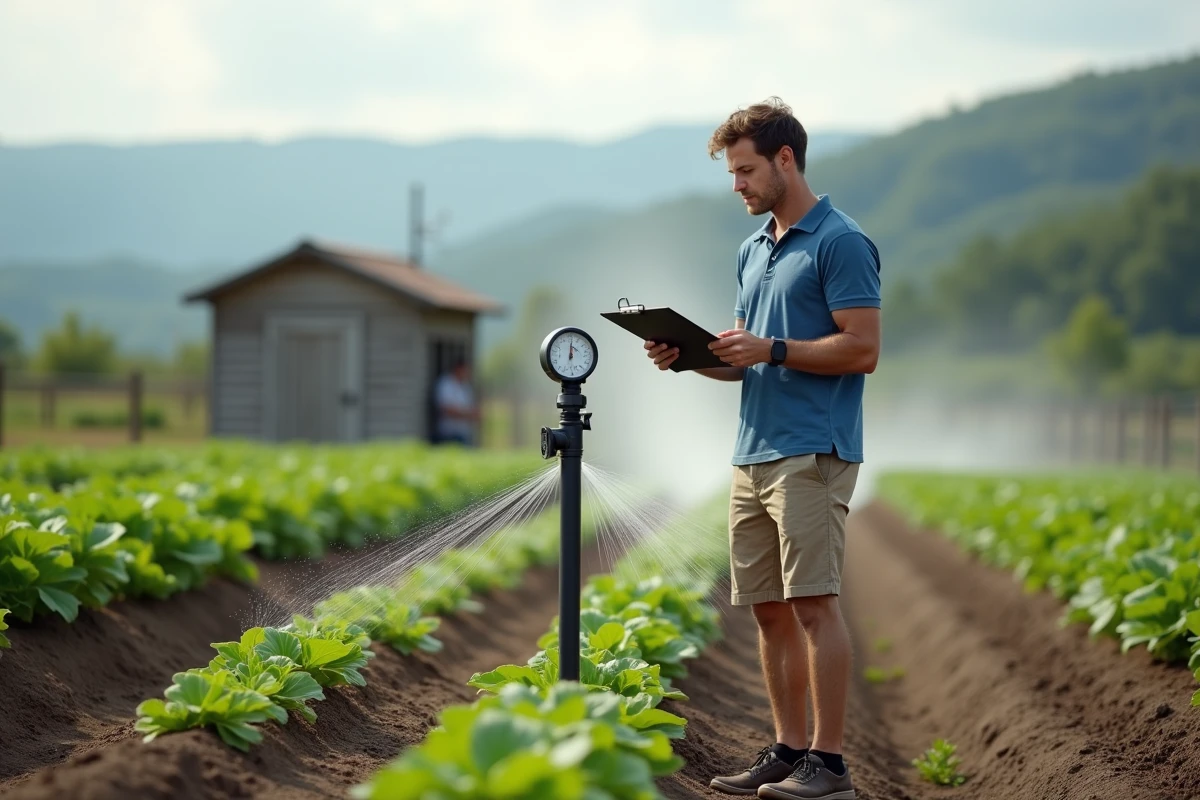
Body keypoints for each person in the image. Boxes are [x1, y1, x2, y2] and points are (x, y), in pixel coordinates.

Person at [645, 97, 881, 800]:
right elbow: (745, 358)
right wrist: (688, 355)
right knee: (768, 610)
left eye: (746, 170)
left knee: (813, 605)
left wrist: (772, 347)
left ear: (786, 160)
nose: (737, 185)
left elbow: (863, 349)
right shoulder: (752, 250)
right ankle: (788, 749)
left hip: (814, 448)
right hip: (752, 452)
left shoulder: (840, 241)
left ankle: (830, 767)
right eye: (731, 173)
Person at [434, 357, 478, 446]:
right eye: (465, 370)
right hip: (448, 434)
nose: (467, 374)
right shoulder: (446, 384)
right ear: (458, 369)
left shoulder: (465, 386)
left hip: (463, 433)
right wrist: (468, 414)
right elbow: (446, 409)